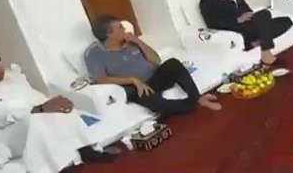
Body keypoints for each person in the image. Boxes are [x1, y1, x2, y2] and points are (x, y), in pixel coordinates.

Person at [0, 52, 110, 173]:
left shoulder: (9, 82)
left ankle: (86, 149)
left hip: (27, 119)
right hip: (1, 135)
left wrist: (52, 104)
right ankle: (58, 168)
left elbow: (36, 99)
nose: (1, 69)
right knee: (36, 120)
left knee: (59, 111)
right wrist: (39, 109)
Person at [84, 16, 222, 117]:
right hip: (137, 89)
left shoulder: (130, 41)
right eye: (120, 27)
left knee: (173, 64)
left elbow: (156, 60)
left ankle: (196, 98)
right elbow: (100, 79)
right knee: (159, 105)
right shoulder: (94, 53)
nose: (124, 29)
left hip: (154, 78)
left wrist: (138, 41)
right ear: (109, 34)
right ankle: (194, 104)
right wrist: (133, 80)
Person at [199, 0, 293, 66]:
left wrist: (249, 14)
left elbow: (245, 7)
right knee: (264, 14)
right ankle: (266, 53)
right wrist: (237, 20)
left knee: (286, 21)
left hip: (248, 23)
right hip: (236, 28)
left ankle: (256, 42)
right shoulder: (208, 0)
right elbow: (212, 23)